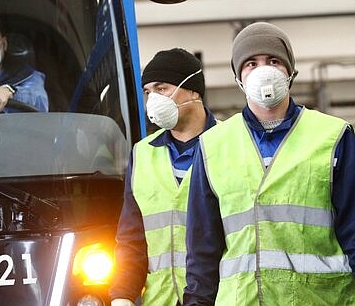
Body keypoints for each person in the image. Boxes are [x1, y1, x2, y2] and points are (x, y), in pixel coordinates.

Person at [183, 22, 355, 305]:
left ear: (290, 72)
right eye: (251, 63)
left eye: (273, 61)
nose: (263, 70)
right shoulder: (213, 145)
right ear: (239, 77)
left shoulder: (333, 137)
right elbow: (202, 249)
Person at [109, 48, 217, 306]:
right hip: (160, 300)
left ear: (193, 91)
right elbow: (131, 239)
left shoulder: (230, 145)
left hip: (218, 298)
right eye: (148, 92)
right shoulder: (142, 154)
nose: (153, 99)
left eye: (162, 88)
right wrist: (122, 295)